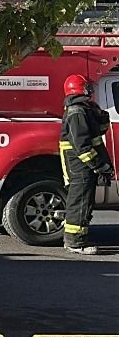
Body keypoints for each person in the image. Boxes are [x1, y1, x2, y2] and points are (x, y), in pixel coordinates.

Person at [59, 74, 113, 255]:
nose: (90, 90)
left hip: (83, 165)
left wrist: (100, 115)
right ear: (78, 89)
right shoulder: (77, 112)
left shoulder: (84, 110)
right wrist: (98, 165)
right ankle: (76, 243)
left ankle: (75, 240)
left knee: (83, 202)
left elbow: (99, 131)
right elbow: (82, 146)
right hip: (80, 166)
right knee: (80, 203)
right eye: (86, 88)